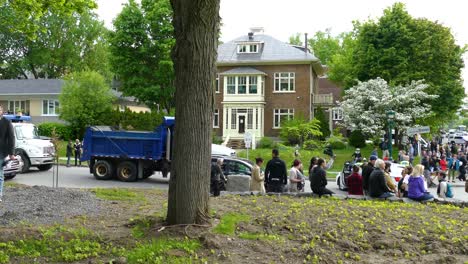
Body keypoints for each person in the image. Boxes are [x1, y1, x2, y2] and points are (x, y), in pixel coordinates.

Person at [0, 105, 16, 202]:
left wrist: (11, 153)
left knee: (0, 174)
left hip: (1, 151)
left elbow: (11, 138)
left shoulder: (7, 122)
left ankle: (0, 193)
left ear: (2, 111)